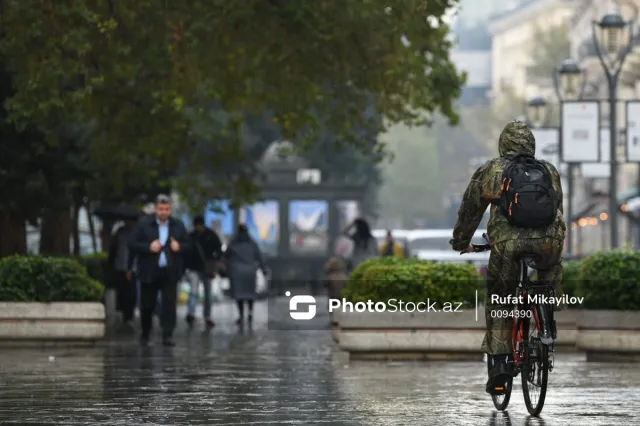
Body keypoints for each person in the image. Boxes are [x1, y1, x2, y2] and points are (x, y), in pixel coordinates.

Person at [449, 120, 565, 394]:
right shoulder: (548, 170)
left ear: (503, 144)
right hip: (549, 241)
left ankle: (500, 366)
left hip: (508, 244)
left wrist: (461, 242)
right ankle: (546, 319)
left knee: (501, 297)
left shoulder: (492, 170)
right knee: (549, 273)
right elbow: (557, 208)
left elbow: (470, 210)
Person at [128, 194, 190, 347]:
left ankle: (168, 335)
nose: (163, 212)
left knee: (170, 304)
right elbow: (132, 243)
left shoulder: (178, 225)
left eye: (167, 209)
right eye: (161, 209)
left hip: (170, 270)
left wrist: (179, 247)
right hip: (149, 270)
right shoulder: (144, 224)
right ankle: (145, 333)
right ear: (156, 209)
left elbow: (189, 246)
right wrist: (148, 247)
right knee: (147, 304)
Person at [185, 215, 223, 330]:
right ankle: (192, 313)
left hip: (206, 269)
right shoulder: (193, 236)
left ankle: (206, 315)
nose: (198, 227)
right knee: (194, 292)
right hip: (194, 268)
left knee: (206, 294)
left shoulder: (209, 235)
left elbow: (219, 249)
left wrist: (215, 262)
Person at [223, 224, 266, 326]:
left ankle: (241, 315)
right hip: (250, 272)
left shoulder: (233, 243)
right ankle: (250, 312)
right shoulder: (252, 243)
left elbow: (226, 255)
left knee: (240, 295)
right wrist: (263, 269)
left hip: (237, 272)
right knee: (250, 294)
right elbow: (259, 257)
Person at [107, 218, 137, 328]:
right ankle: (123, 311)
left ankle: (129, 316)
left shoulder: (137, 233)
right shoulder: (119, 232)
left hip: (133, 268)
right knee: (121, 291)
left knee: (131, 293)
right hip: (120, 266)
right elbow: (113, 249)